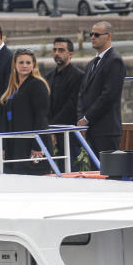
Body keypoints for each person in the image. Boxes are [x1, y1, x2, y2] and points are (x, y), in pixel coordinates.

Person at [0, 48, 51, 174]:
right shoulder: (13, 88)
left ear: (33, 65)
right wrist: (5, 146)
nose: (24, 66)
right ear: (15, 65)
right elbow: (7, 118)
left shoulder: (37, 85)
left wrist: (37, 146)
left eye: (28, 63)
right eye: (21, 62)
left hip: (30, 143)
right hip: (15, 143)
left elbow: (41, 117)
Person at [77, 21, 126, 154]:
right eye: (91, 34)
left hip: (107, 130)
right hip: (91, 129)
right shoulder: (91, 64)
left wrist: (86, 119)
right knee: (95, 172)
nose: (93, 37)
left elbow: (109, 95)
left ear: (109, 36)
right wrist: (81, 120)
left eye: (97, 34)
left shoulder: (115, 61)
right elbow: (83, 94)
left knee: (108, 172)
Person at [46, 37, 85, 169]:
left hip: (69, 133)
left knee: (70, 169)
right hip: (50, 132)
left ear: (71, 54)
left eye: (61, 50)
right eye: (55, 50)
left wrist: (52, 128)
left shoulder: (78, 76)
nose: (57, 53)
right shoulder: (49, 77)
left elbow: (71, 106)